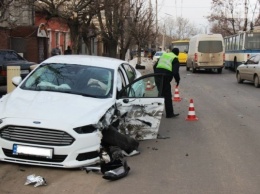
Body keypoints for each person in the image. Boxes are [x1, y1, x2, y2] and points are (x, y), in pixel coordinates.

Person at [153, 48, 180, 118]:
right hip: (165, 77)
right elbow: (175, 72)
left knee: (160, 93)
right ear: (177, 53)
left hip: (157, 76)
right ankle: (169, 113)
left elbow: (154, 66)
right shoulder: (175, 58)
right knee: (167, 95)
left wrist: (156, 73)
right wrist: (177, 80)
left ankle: (158, 112)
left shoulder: (164, 55)